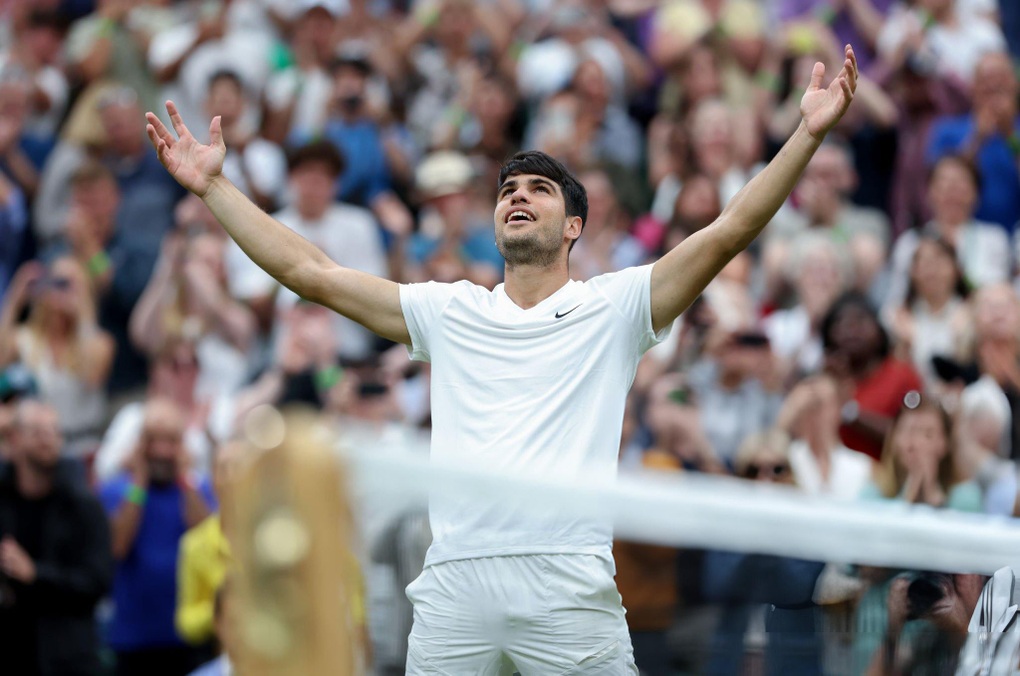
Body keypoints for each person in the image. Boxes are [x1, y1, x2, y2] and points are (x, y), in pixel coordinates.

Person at [144, 44, 859, 673]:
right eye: (509, 191)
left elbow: (729, 230)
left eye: (539, 190)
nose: (518, 197)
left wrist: (805, 133)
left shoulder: (614, 307)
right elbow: (313, 274)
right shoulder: (451, 310)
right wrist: (214, 187)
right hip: (456, 583)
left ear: (574, 225)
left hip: (567, 582)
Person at [99, 397, 215, 676]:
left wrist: (185, 476)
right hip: (133, 638)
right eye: (153, 440)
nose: (162, 451)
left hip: (191, 636)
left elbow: (207, 540)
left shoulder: (198, 489)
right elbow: (117, 547)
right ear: (140, 444)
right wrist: (138, 481)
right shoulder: (117, 490)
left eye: (171, 441)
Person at [0, 399, 113, 676]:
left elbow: (97, 582)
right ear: (13, 440)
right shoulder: (3, 501)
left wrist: (35, 574)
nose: (48, 440)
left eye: (54, 432)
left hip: (69, 659)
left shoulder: (82, 504)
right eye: (38, 432)